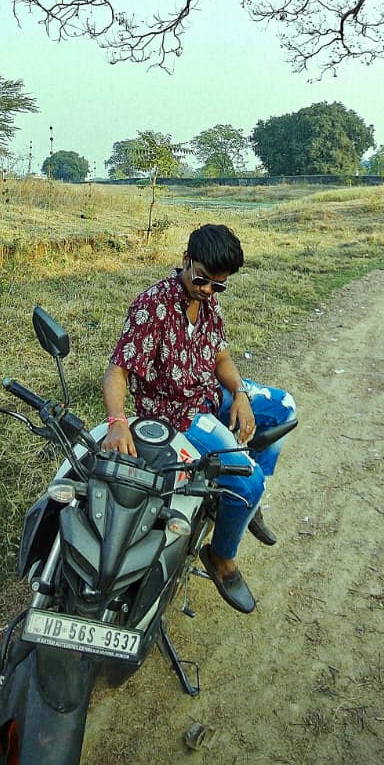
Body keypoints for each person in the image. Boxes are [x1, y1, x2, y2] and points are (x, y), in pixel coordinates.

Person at [102, 224, 296, 614]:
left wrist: (240, 394)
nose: (208, 290)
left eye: (218, 286)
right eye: (203, 280)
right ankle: (221, 557)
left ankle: (241, 505)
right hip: (177, 415)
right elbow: (117, 370)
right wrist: (117, 421)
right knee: (249, 481)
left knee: (285, 406)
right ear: (186, 260)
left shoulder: (209, 302)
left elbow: (220, 356)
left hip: (208, 391)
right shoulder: (152, 307)